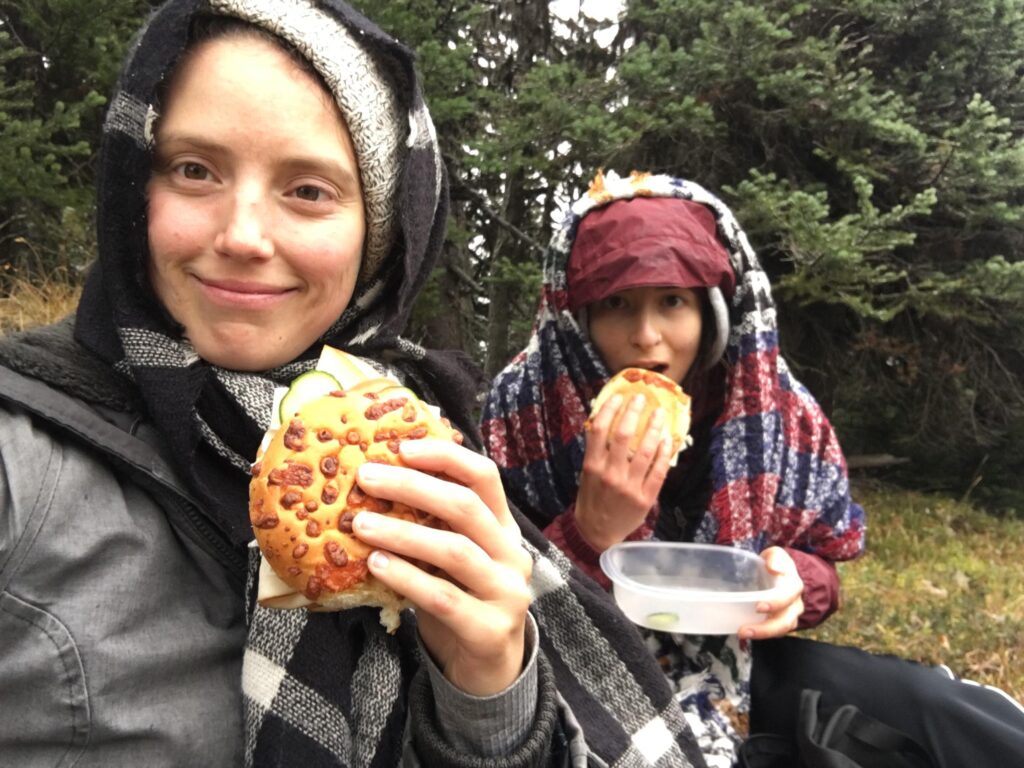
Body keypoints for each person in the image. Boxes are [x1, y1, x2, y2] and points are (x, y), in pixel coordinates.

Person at [0, 7, 711, 767]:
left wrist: (489, 688)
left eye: (307, 189)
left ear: (379, 234)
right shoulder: (23, 453)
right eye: (194, 169)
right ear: (137, 185)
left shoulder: (422, 446)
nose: (242, 236)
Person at [482, 170, 1024, 767]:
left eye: (672, 301)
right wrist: (590, 532)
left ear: (713, 310)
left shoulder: (773, 407)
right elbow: (490, 607)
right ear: (577, 321)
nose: (647, 336)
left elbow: (824, 563)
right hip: (575, 666)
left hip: (736, 664)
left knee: (940, 712)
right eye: (616, 304)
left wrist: (794, 581)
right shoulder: (522, 412)